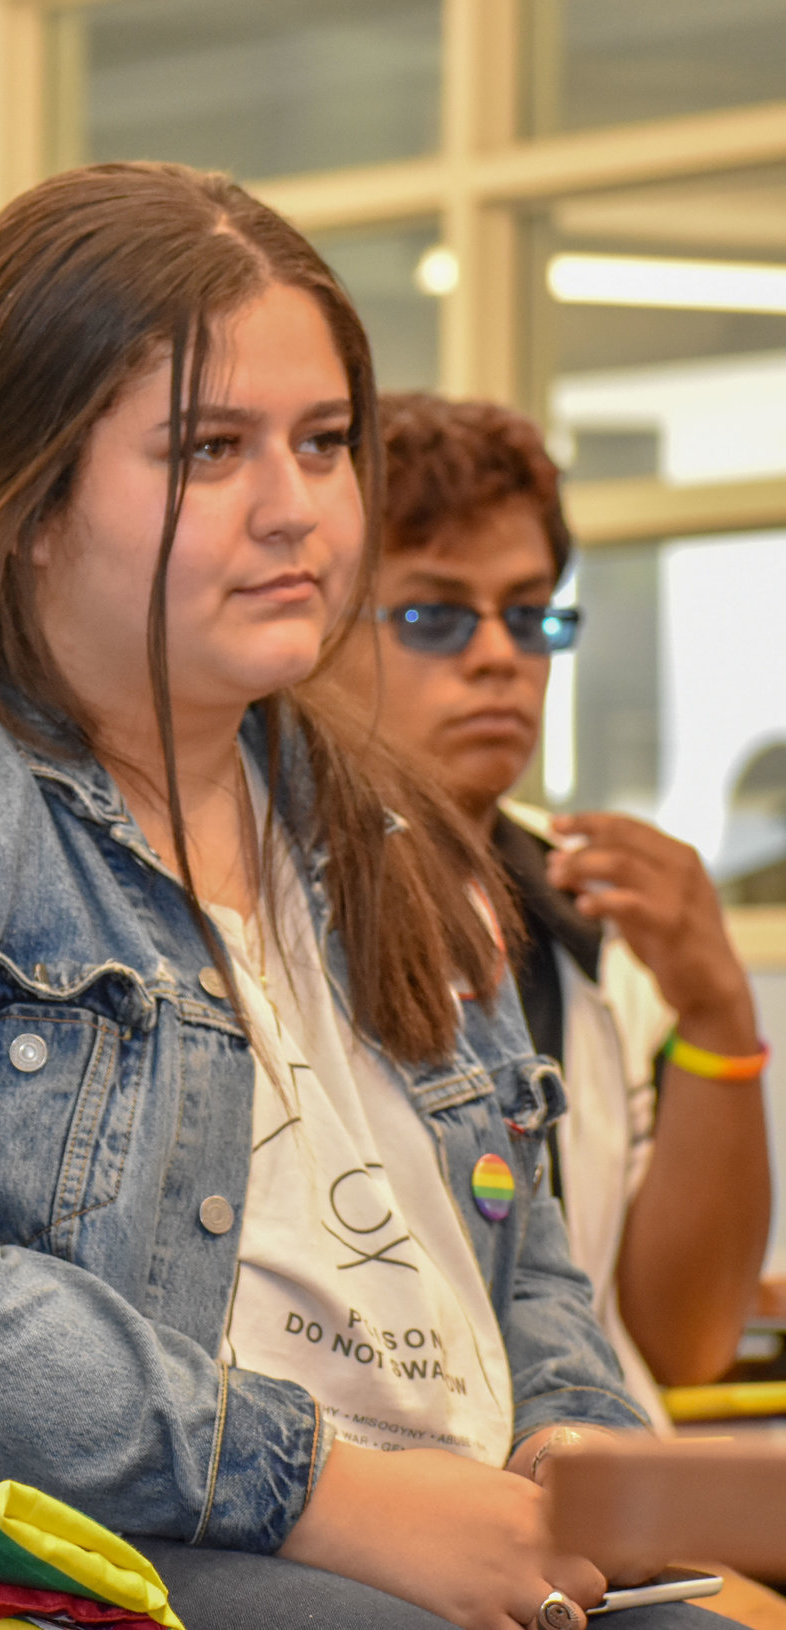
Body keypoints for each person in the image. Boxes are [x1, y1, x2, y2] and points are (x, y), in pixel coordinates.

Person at [0, 161, 711, 1630]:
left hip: (436, 1535)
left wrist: (567, 1452)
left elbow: (525, 1257)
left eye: (324, 443)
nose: (293, 508)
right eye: (207, 450)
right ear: (31, 489)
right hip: (31, 1554)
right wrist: (335, 1494)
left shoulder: (396, 831)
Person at [330, 392, 771, 1409]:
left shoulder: (590, 921)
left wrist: (716, 1018)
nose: (498, 656)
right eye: (433, 615)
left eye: (529, 615)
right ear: (309, 630)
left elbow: (684, 1340)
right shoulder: (250, 903)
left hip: (598, 1491)